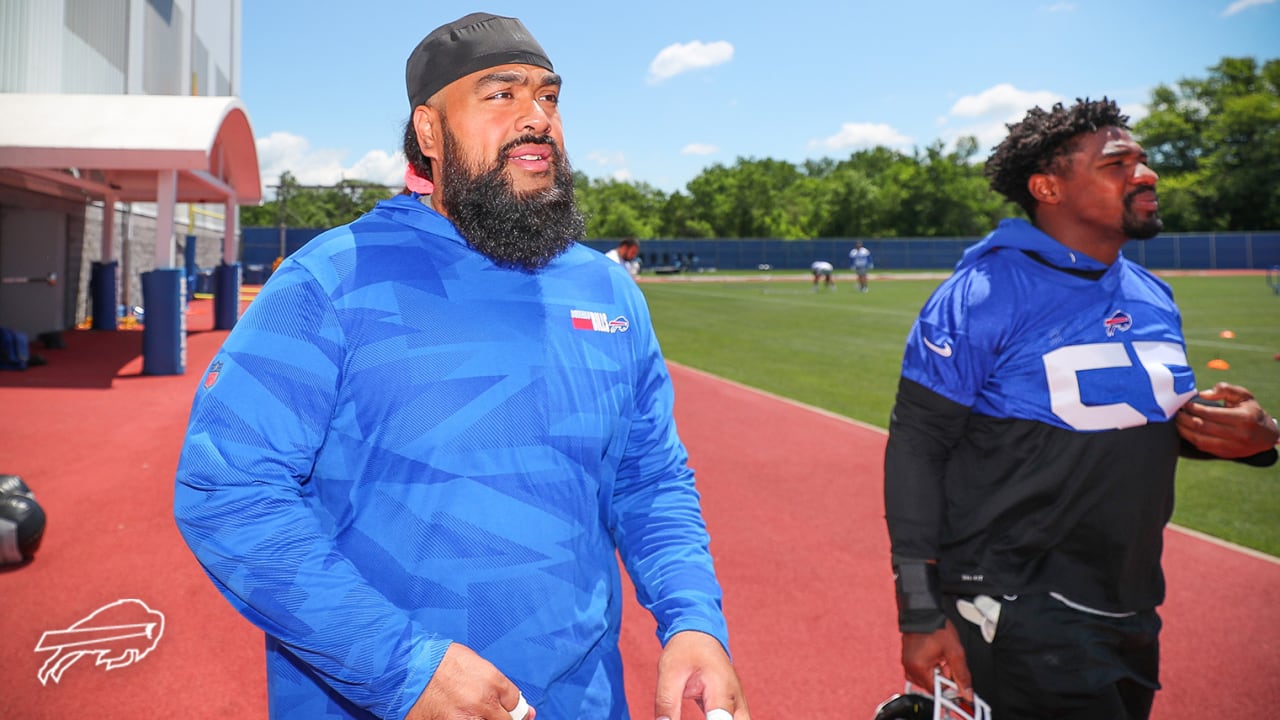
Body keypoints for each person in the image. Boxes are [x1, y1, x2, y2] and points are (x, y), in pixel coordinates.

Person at [174, 12, 750, 720]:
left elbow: (649, 478)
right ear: (428, 132)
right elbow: (227, 491)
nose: (536, 117)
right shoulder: (328, 282)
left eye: (549, 97)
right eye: (500, 95)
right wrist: (398, 666)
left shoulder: (606, 290)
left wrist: (693, 619)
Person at [882, 98, 1279, 720]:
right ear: (1048, 187)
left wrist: (1257, 439)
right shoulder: (981, 295)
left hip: (1130, 597)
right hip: (1018, 603)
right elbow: (917, 445)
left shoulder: (1152, 292)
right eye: (1118, 163)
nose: (1145, 175)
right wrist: (919, 609)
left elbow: (1125, 418)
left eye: (1143, 161)